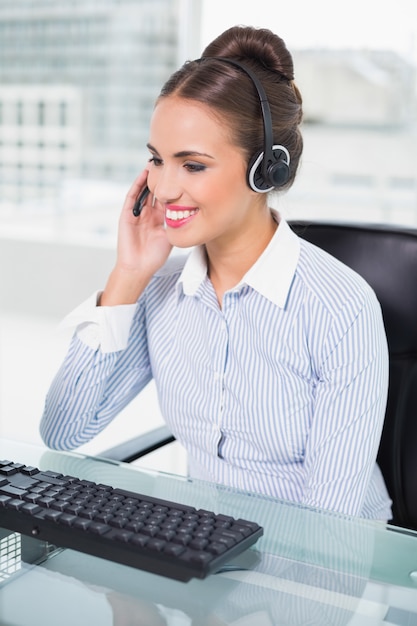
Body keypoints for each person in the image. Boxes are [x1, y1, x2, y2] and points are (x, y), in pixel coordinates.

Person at [40, 25, 392, 521]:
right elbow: (63, 431)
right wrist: (127, 275)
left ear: (265, 169)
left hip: (330, 564)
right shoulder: (162, 290)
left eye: (193, 165)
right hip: (213, 547)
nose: (162, 189)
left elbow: (328, 525)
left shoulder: (340, 307)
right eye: (157, 160)